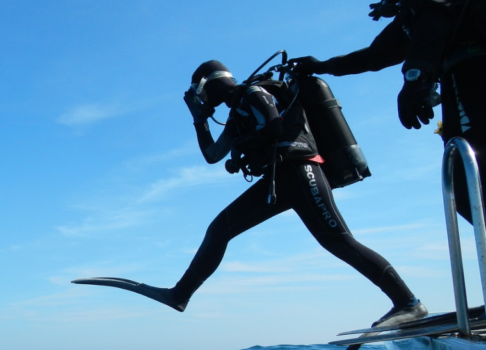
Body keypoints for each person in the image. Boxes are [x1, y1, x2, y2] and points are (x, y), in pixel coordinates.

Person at [74, 60, 427, 328]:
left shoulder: (252, 93)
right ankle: (180, 295)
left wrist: (245, 144)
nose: (200, 99)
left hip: (300, 170)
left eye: (199, 93)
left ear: (207, 85)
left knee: (337, 240)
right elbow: (213, 155)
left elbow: (273, 124)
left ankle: (408, 302)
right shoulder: (235, 113)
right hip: (280, 179)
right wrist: (198, 120)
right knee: (219, 229)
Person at [291, 0, 486, 224]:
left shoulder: (431, 8)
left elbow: (433, 24)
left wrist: (416, 78)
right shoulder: (417, 14)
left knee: (470, 184)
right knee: (467, 190)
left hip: (472, 78)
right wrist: (323, 66)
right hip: (464, 79)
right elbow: (377, 54)